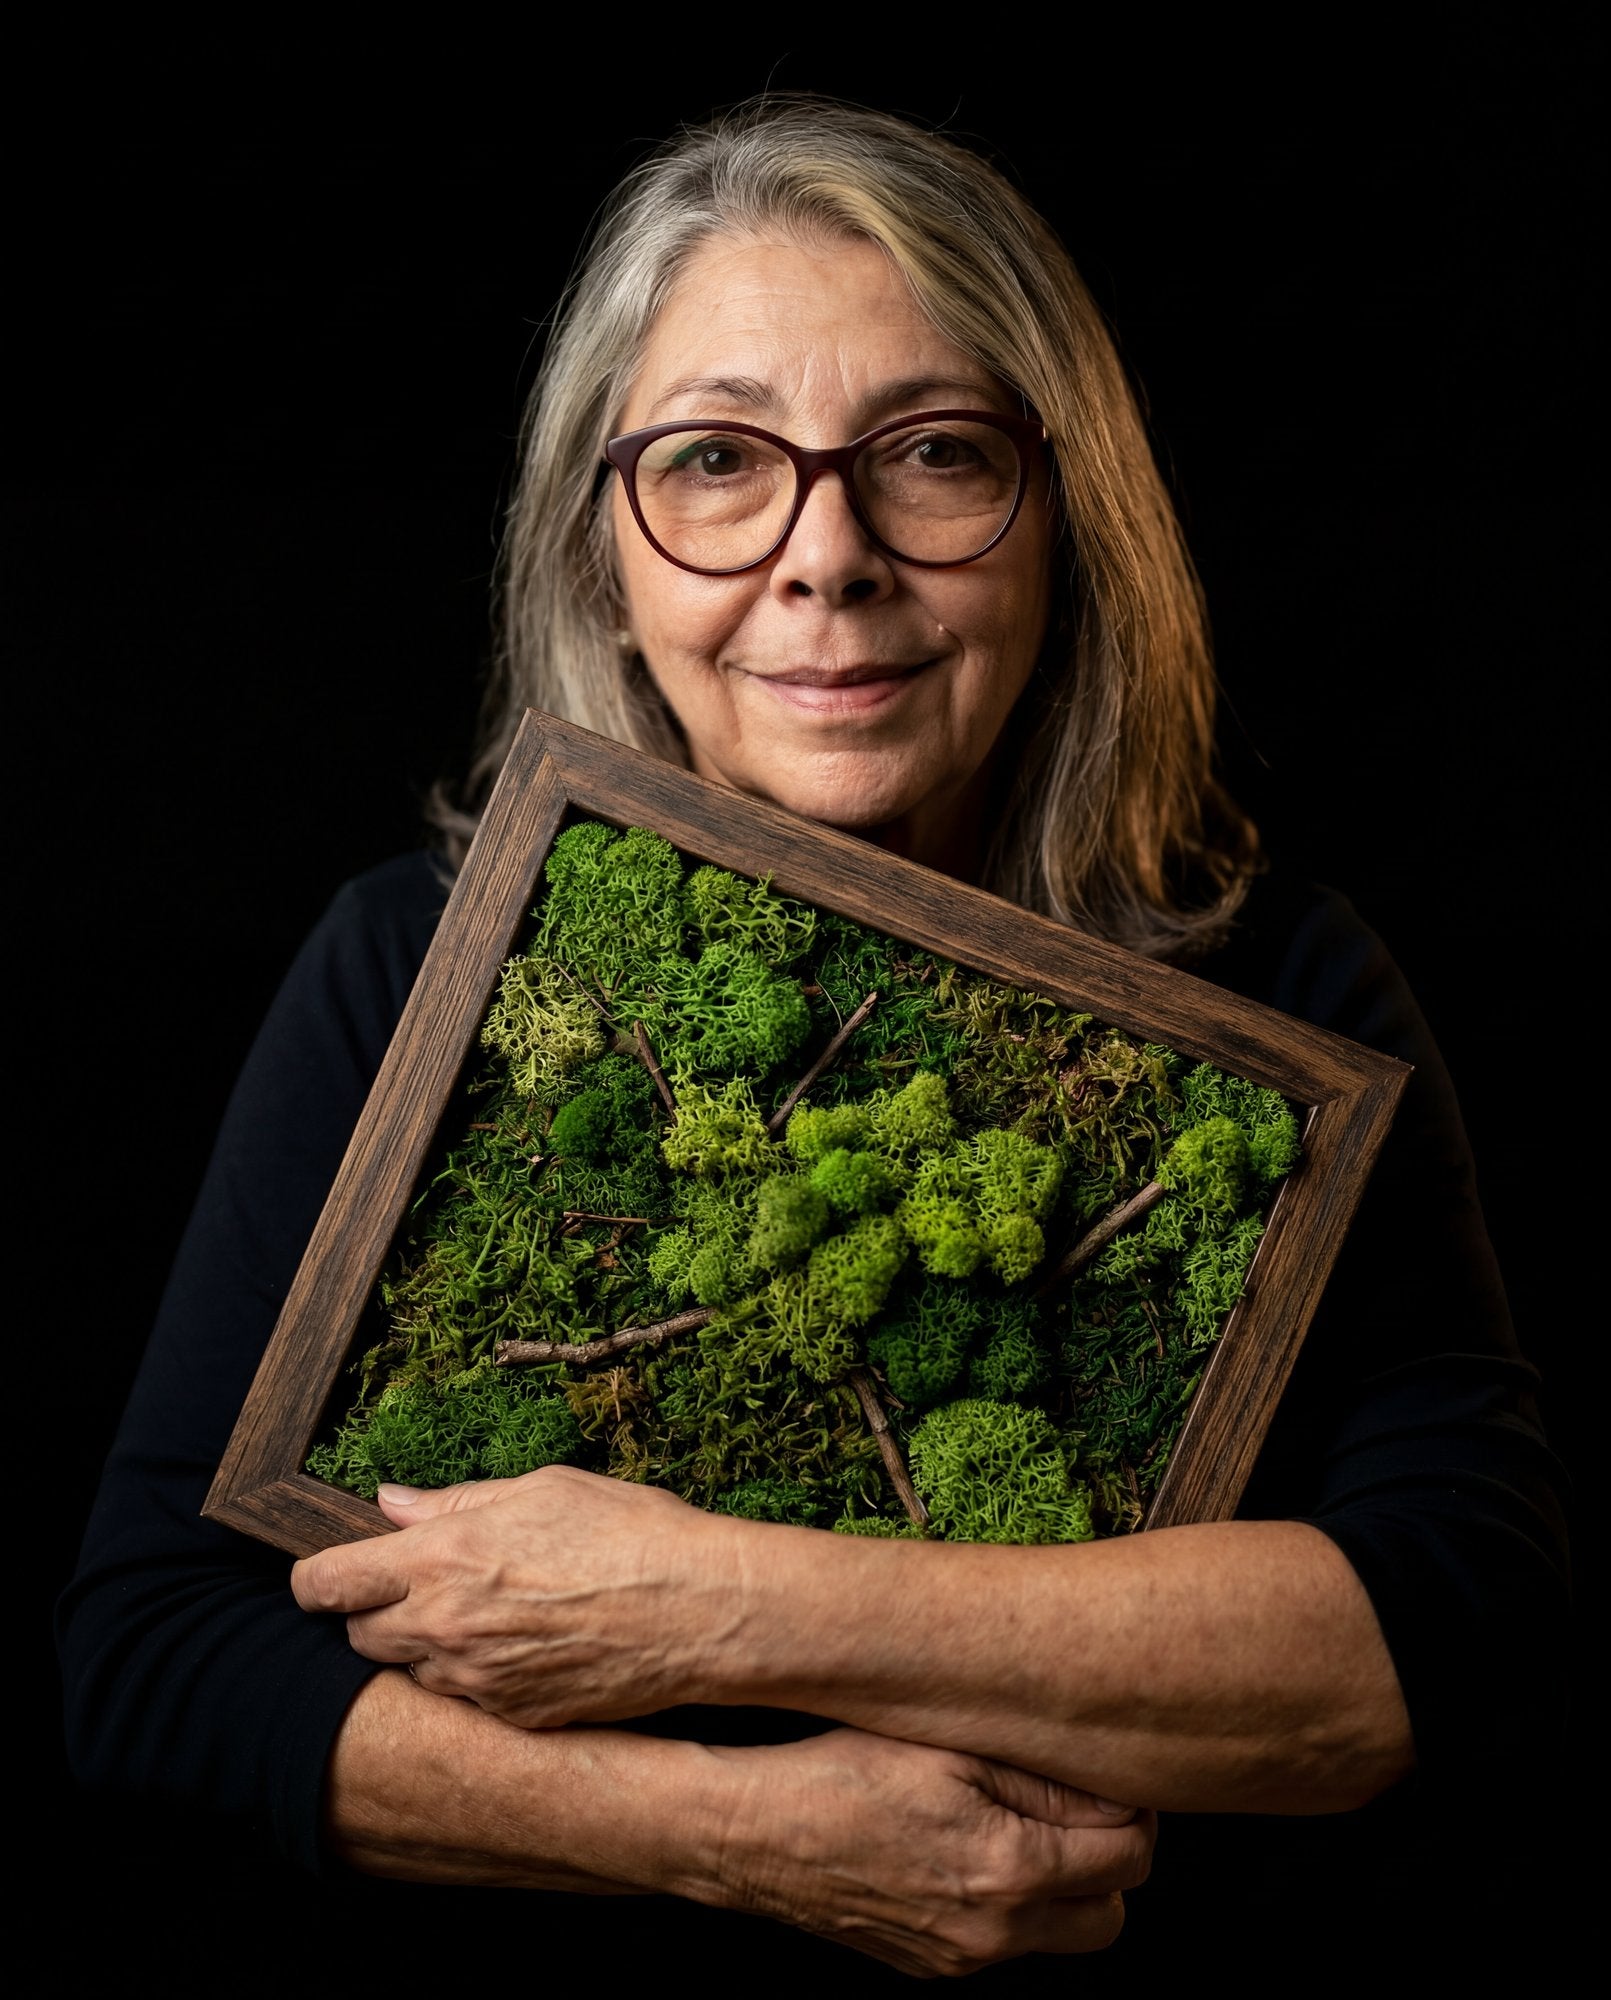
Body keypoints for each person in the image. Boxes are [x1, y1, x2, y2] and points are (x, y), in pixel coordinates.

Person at [57, 95, 1569, 1980]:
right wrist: (738, 1838)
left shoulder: (1283, 989)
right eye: (713, 461)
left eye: (932, 455)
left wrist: (719, 1608)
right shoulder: (417, 968)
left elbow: (1448, 1636)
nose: (826, 555)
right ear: (603, 543)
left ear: (1066, 516)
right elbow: (158, 1656)